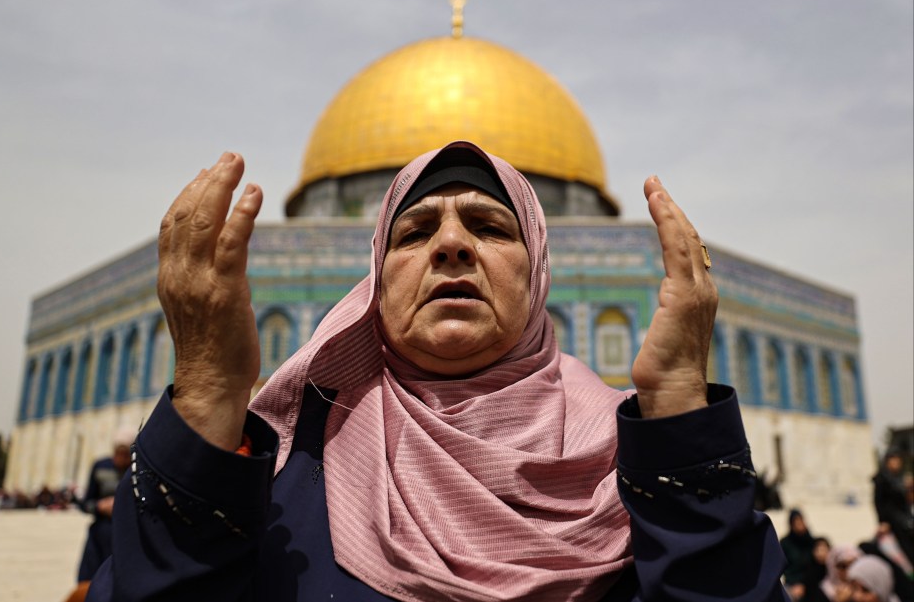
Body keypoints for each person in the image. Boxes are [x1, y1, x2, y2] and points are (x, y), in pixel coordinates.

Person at [86, 142, 788, 600]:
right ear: (374, 281)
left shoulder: (633, 470)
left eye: (488, 225)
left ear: (539, 266)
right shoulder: (286, 473)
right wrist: (207, 391)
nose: (451, 244)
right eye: (416, 232)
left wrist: (680, 412)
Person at [76, 426, 133, 583]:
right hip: (100, 533)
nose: (120, 458)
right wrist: (100, 506)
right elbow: (85, 504)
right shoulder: (101, 467)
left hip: (125, 534)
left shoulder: (136, 471)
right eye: (118, 452)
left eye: (125, 454)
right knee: (90, 580)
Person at [873, 450, 914, 566]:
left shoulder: (899, 477)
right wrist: (882, 521)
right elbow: (878, 502)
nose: (896, 463)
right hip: (893, 520)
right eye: (893, 460)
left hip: (904, 517)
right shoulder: (882, 478)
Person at [783, 509, 818, 599]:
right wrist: (795, 584)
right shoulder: (785, 543)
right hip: (792, 584)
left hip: (811, 582)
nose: (799, 524)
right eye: (796, 521)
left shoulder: (812, 542)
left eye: (800, 520)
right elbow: (784, 567)